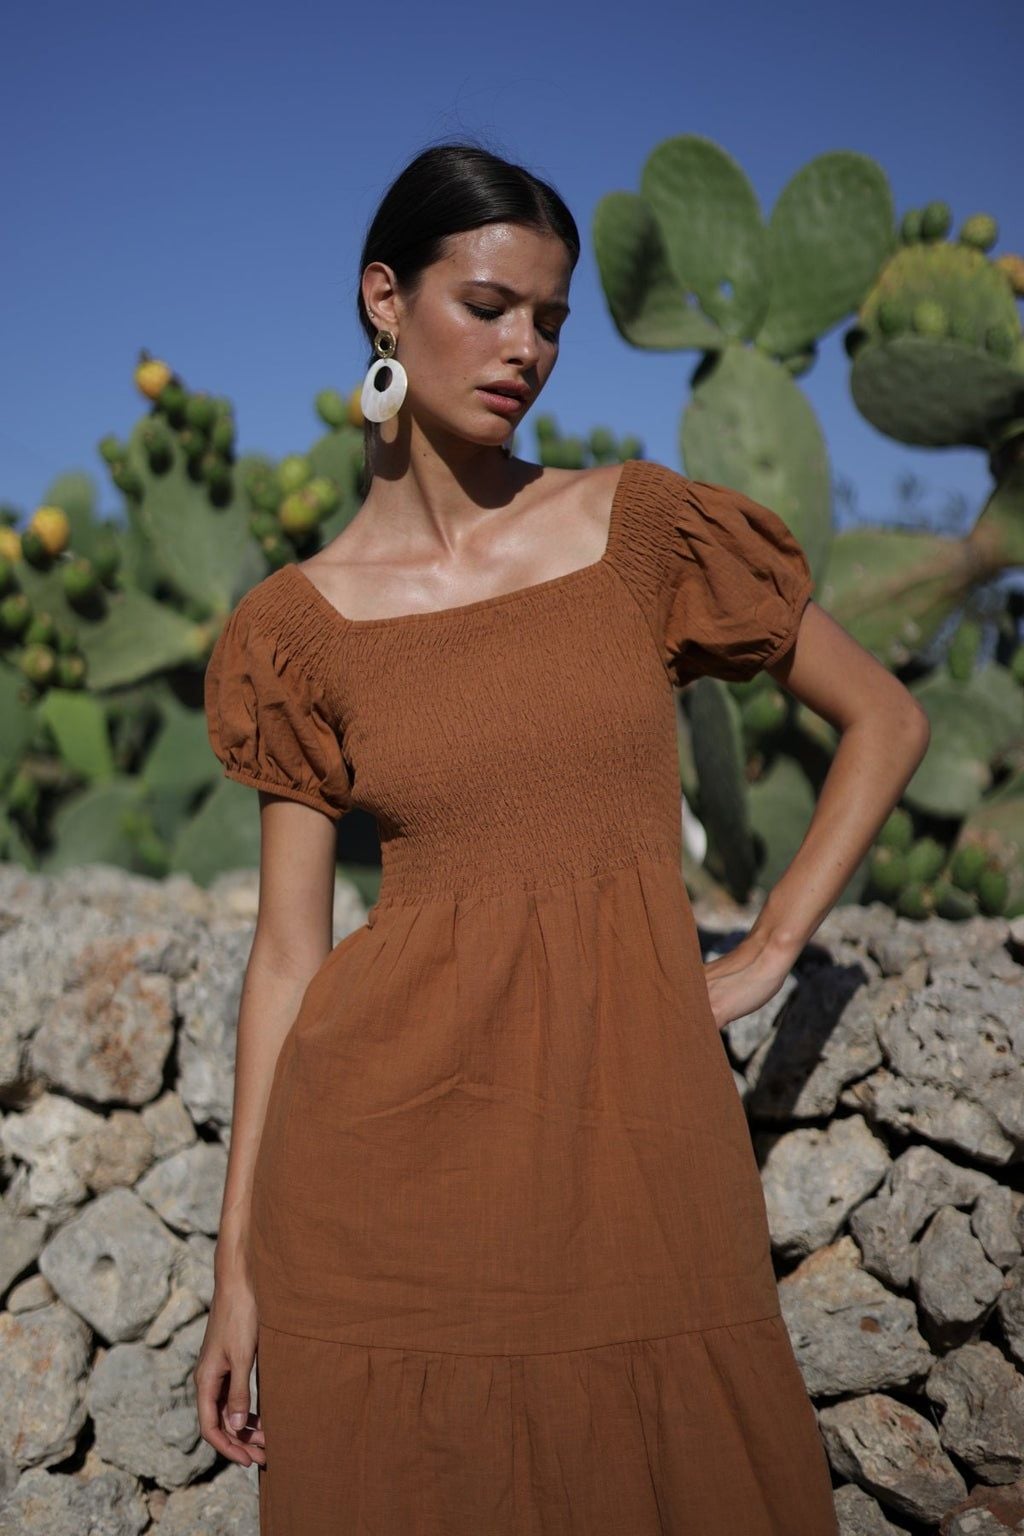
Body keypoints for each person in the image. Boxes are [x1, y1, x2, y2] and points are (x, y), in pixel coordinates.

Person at [194, 140, 930, 1534]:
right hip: (385, 1173)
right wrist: (238, 1268)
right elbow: (288, 956)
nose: (524, 348)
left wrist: (770, 948)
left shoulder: (636, 530)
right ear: (385, 300)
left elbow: (884, 721)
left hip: (639, 1142)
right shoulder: (296, 628)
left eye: (549, 319)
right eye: (487, 306)